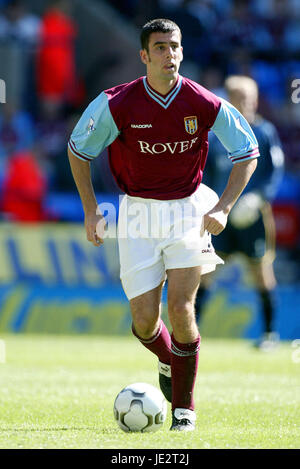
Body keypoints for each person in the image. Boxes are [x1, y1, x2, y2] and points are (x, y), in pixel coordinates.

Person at [67, 19, 259, 431]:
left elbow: (247, 151)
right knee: (142, 321)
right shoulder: (116, 103)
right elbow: (78, 151)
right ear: (144, 55)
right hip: (137, 212)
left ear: (182, 52)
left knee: (181, 307)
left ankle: (184, 411)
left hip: (188, 210)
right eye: (159, 48)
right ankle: (173, 362)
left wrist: (223, 207)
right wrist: (89, 210)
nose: (168, 54)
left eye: (174, 47)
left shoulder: (203, 101)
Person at [195, 75, 284, 350]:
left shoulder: (265, 133)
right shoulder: (216, 136)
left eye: (250, 98)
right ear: (228, 101)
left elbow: (273, 173)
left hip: (252, 216)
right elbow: (205, 174)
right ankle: (190, 335)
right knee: (205, 272)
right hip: (220, 215)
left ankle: (270, 335)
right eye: (240, 99)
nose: (246, 104)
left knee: (261, 273)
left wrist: (258, 198)